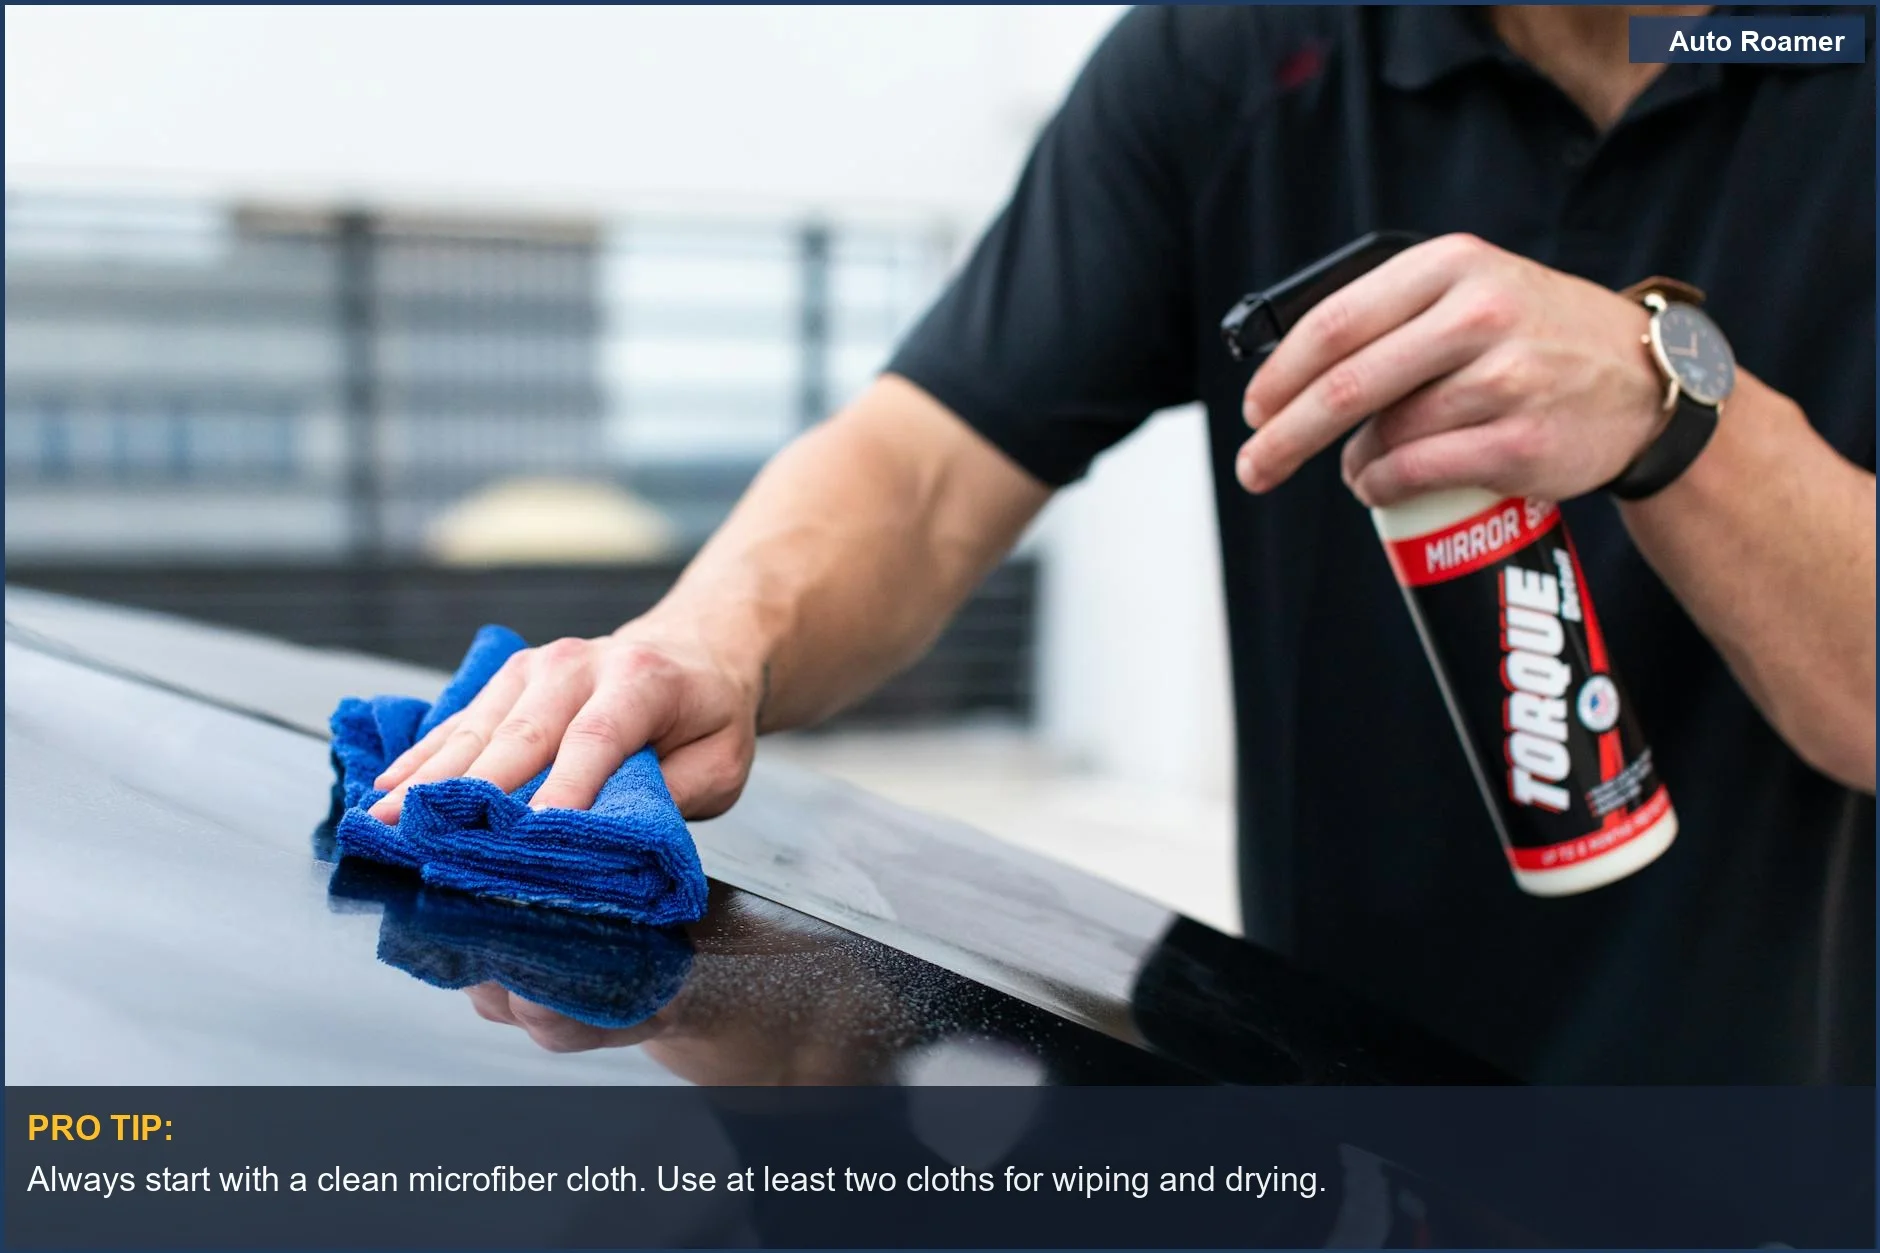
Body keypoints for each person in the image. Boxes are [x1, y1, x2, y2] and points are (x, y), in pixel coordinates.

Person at [367, 5, 1875, 1082]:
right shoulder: (1239, 53)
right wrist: (714, 638)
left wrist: (1679, 406)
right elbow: (930, 464)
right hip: (1354, 1110)